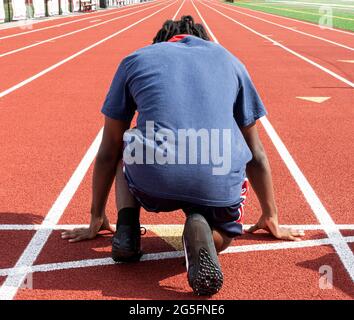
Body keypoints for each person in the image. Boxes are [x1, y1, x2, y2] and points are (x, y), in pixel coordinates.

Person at [62, 16, 305, 296]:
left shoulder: (135, 60)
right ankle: (208, 233)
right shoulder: (230, 61)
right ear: (201, 38)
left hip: (153, 175)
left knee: (125, 145)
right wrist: (271, 215)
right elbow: (257, 153)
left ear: (162, 41)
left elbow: (107, 152)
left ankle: (126, 228)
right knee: (225, 228)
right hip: (216, 174)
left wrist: (96, 216)